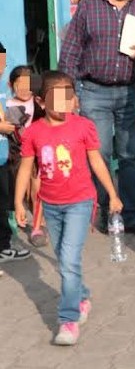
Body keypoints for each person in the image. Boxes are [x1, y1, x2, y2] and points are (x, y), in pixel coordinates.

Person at [13, 70, 123, 346]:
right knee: (64, 260)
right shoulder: (34, 133)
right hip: (50, 205)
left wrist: (112, 194)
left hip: (80, 202)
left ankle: (68, 319)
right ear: (41, 102)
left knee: (69, 259)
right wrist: (18, 202)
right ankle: (82, 296)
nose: (65, 103)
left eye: (69, 96)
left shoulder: (83, 126)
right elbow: (26, 168)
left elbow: (97, 161)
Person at [58, 0, 135, 238]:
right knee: (99, 154)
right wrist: (69, 92)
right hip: (94, 92)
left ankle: (131, 215)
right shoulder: (89, 6)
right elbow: (71, 50)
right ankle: (107, 210)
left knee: (129, 156)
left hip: (130, 93)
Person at [5, 65, 46, 247]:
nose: (24, 88)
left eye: (28, 83)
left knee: (37, 188)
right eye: (19, 83)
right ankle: (14, 223)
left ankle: (37, 226)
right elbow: (13, 133)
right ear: (10, 84)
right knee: (18, 189)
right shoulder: (7, 105)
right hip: (17, 155)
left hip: (39, 154)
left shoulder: (39, 103)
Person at [0, 44, 32, 264]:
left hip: (2, 154)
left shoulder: (1, 87)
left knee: (2, 200)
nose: (2, 68)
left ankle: (3, 245)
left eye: (3, 63)